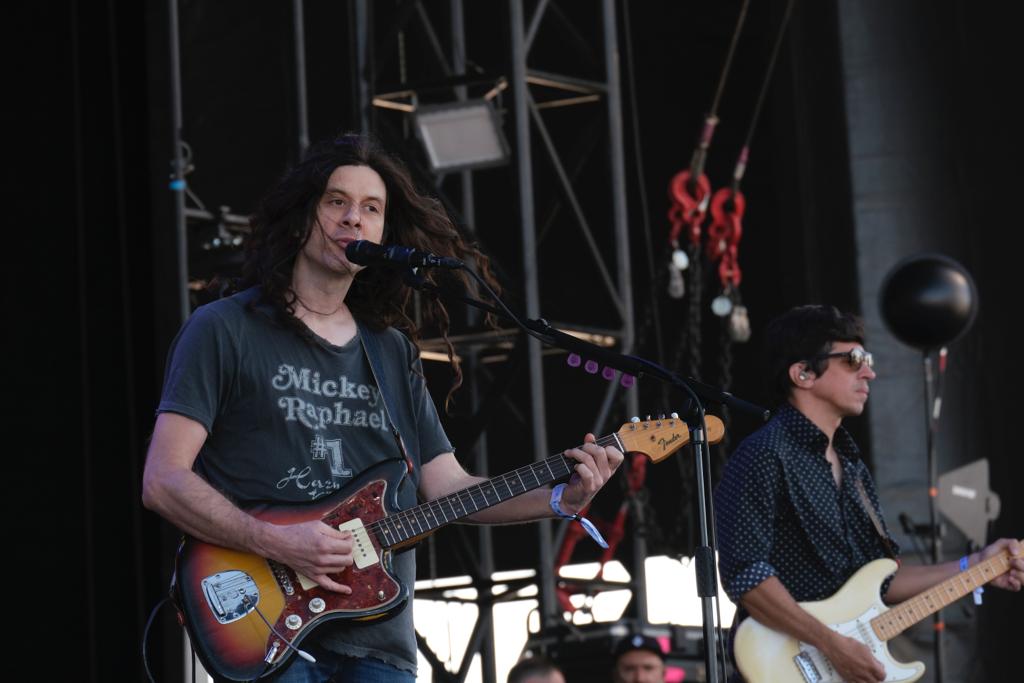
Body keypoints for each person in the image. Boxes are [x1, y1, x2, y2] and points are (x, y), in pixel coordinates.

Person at [141, 134, 624, 682]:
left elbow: (447, 489)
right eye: (336, 202)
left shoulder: (391, 351)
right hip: (265, 623)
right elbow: (162, 479)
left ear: (384, 234)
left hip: (379, 642)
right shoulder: (224, 328)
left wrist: (561, 497)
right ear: (302, 218)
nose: (354, 219)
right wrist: (279, 542)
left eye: (371, 209)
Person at [714, 304, 1023, 683]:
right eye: (853, 360)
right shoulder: (763, 454)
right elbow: (746, 576)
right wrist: (832, 645)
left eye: (868, 359)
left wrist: (976, 567)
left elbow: (884, 580)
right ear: (803, 373)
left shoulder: (853, 466)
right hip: (781, 665)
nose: (869, 372)